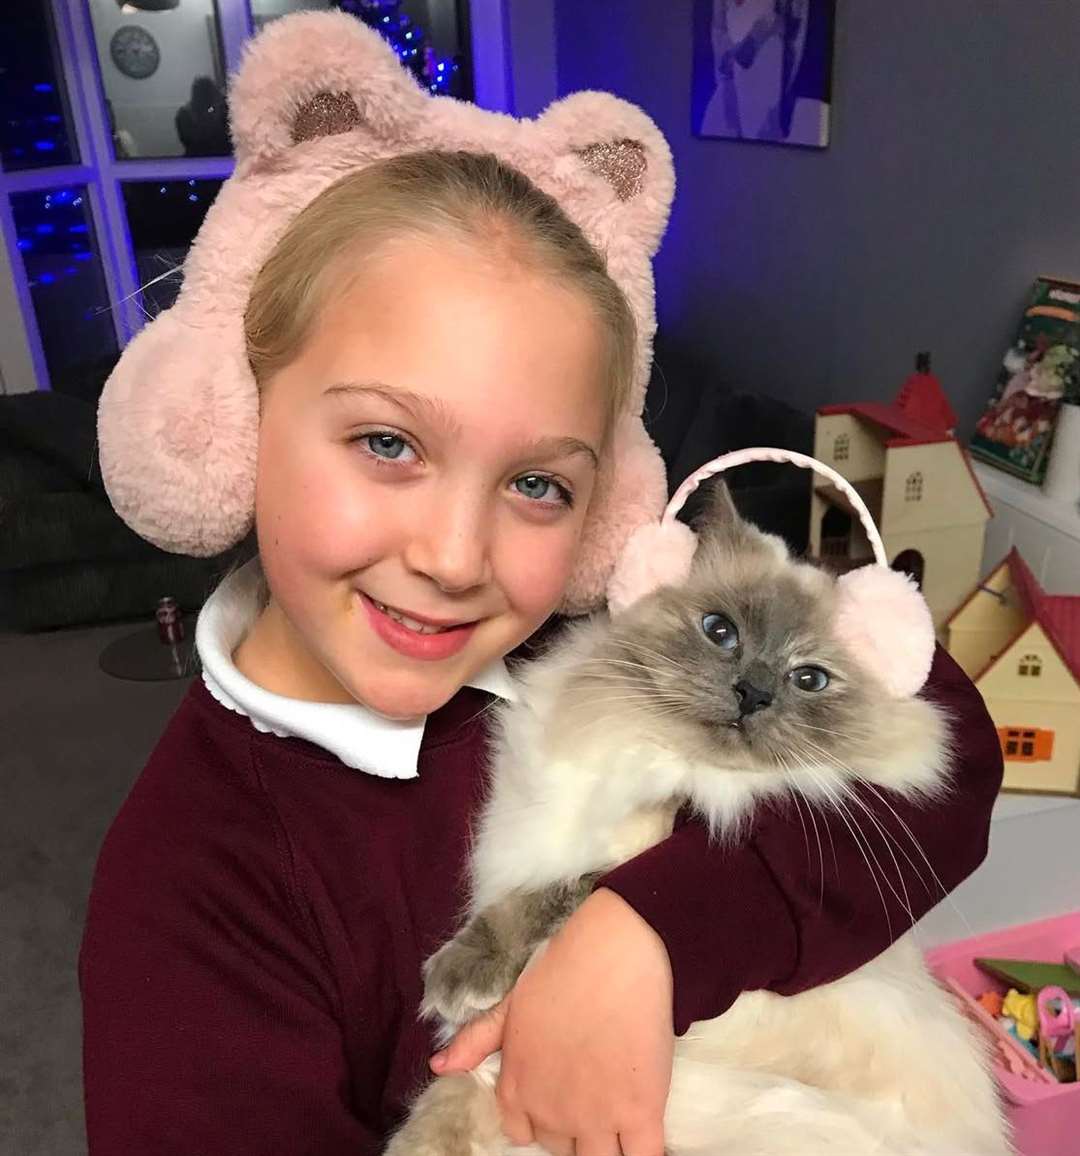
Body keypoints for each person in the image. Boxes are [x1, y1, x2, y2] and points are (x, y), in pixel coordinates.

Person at [82, 13, 1003, 1156]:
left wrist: (646, 935)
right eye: (386, 443)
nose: (456, 558)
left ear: (606, 500)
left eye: (537, 483)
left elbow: (948, 742)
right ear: (235, 415)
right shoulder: (187, 895)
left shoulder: (581, 610)